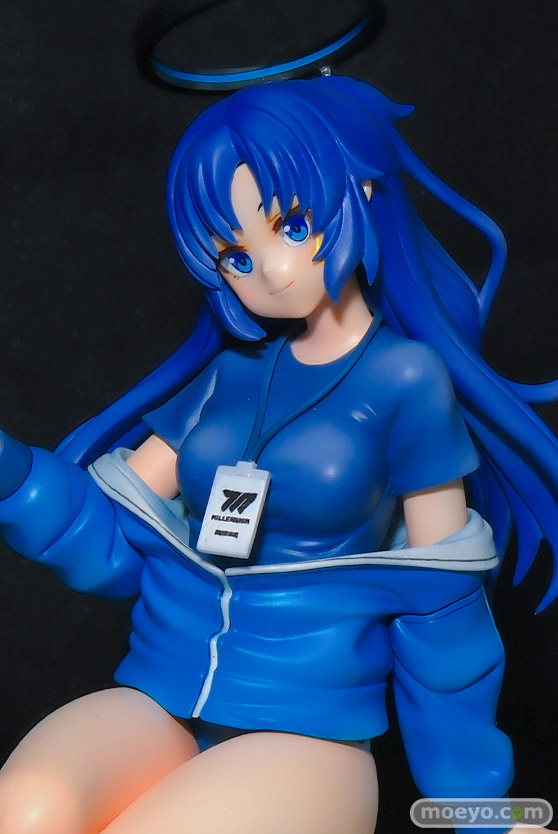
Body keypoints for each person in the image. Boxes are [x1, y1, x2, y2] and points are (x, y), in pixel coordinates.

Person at [0, 76, 556, 834]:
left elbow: (441, 605)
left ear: (359, 191)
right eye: (235, 254)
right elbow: (108, 534)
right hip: (162, 694)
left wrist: (478, 807)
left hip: (307, 732)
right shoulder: (229, 374)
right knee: (27, 807)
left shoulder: (406, 379)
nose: (271, 270)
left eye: (291, 225)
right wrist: (11, 475)